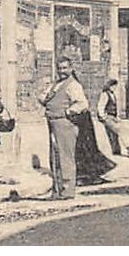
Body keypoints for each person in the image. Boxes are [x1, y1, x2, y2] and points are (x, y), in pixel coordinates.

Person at [38, 55, 90, 199]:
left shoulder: (73, 85)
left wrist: (68, 112)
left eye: (65, 68)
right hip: (52, 122)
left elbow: (82, 104)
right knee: (54, 158)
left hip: (65, 123)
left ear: (71, 68)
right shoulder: (56, 84)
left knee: (65, 157)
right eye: (59, 68)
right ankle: (57, 189)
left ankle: (67, 191)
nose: (62, 71)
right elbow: (43, 98)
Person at [97, 78, 129, 157]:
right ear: (109, 86)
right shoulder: (105, 94)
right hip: (108, 117)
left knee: (115, 133)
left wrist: (116, 117)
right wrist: (104, 117)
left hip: (113, 117)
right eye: (113, 86)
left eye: (115, 87)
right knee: (121, 130)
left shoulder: (112, 94)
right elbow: (100, 106)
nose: (114, 88)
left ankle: (116, 150)